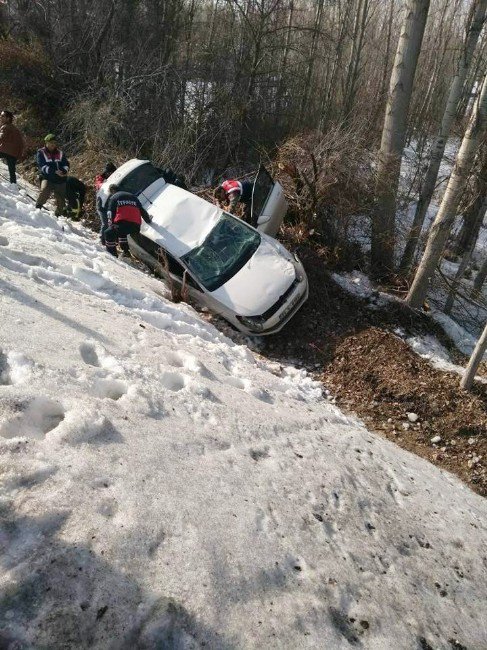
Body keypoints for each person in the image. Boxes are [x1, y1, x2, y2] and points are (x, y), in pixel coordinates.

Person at [104, 184, 152, 257]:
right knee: (121, 230)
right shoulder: (132, 196)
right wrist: (148, 220)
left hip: (125, 225)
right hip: (136, 226)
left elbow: (110, 213)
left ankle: (112, 256)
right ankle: (126, 252)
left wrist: (111, 225)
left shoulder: (114, 197)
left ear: (112, 191)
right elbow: (142, 211)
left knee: (108, 233)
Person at [35, 134, 70, 216]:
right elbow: (42, 166)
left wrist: (64, 171)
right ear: (46, 143)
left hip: (60, 179)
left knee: (61, 198)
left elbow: (66, 164)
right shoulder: (41, 152)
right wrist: (54, 171)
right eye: (51, 143)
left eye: (54, 143)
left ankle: (58, 215)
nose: (53, 145)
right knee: (45, 190)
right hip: (47, 177)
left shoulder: (60, 153)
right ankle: (37, 208)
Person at [0, 110, 26, 186]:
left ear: (8, 118)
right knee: (12, 171)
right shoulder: (15, 129)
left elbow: (1, 138)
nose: (0, 117)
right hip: (14, 153)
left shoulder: (5, 127)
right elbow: (21, 143)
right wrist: (19, 155)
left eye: (2, 116)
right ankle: (13, 185)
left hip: (5, 151)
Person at [95, 162, 117, 244]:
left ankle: (108, 239)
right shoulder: (101, 179)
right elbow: (99, 186)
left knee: (109, 223)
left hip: (107, 204)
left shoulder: (113, 179)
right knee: (105, 223)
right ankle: (102, 240)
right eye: (111, 172)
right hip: (101, 204)